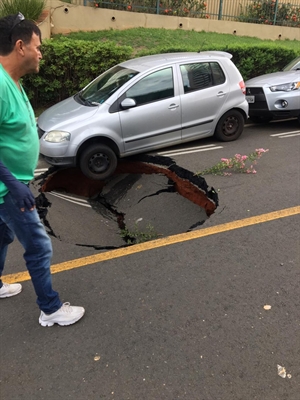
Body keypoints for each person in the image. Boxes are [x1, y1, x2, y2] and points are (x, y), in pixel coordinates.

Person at [0, 13, 85, 326]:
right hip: (7, 188)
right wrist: (14, 182)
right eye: (38, 46)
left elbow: (19, 128)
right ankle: (50, 309)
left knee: (2, 235)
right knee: (38, 245)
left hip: (12, 184)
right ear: (20, 46)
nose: (41, 53)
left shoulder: (12, 82)